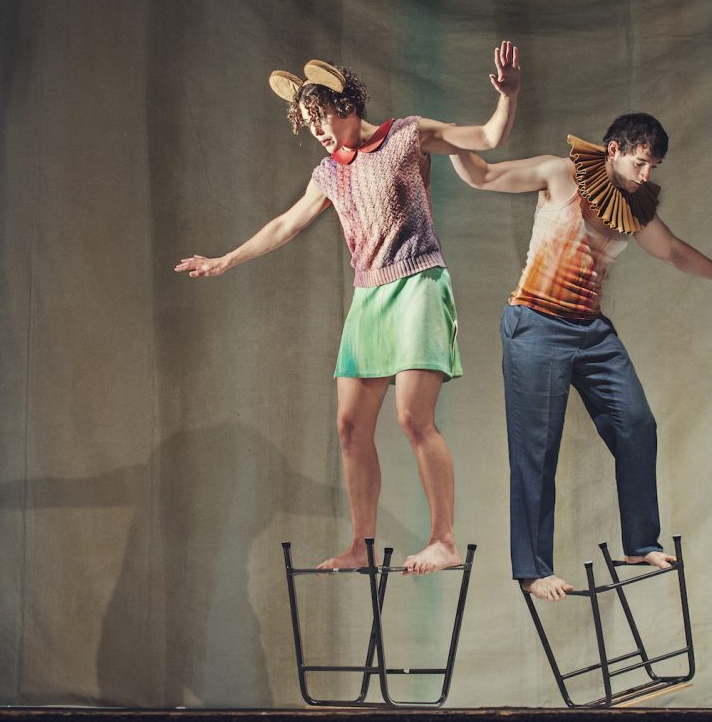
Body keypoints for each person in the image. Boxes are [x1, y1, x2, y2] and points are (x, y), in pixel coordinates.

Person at [175, 42, 522, 574]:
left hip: (418, 283)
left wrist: (507, 96)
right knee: (349, 427)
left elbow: (488, 137)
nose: (316, 128)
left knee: (412, 417)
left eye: (321, 116)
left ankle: (444, 540)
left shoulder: (406, 134)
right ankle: (361, 546)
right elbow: (285, 225)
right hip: (368, 297)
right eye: (307, 120)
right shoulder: (329, 172)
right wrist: (226, 259)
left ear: (347, 104)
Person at [450, 112, 712, 599]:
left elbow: (671, 251)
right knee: (537, 449)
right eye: (640, 164)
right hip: (536, 324)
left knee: (636, 424)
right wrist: (452, 138)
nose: (645, 176)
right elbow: (482, 175)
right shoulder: (559, 174)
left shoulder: (634, 206)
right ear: (613, 150)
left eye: (653, 168)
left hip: (590, 331)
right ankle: (534, 569)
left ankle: (640, 541)